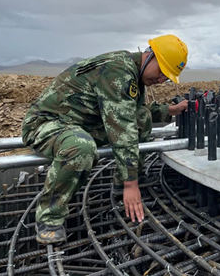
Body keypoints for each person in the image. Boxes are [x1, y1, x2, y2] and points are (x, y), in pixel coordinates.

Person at [22, 34, 188, 244]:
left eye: (167, 77)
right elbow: (122, 126)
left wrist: (170, 110)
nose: (161, 80)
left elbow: (133, 111)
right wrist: (131, 183)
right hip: (47, 123)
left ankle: (120, 189)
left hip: (79, 125)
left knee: (141, 119)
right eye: (162, 71)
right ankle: (49, 218)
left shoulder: (133, 73)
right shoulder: (118, 70)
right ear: (149, 55)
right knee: (81, 147)